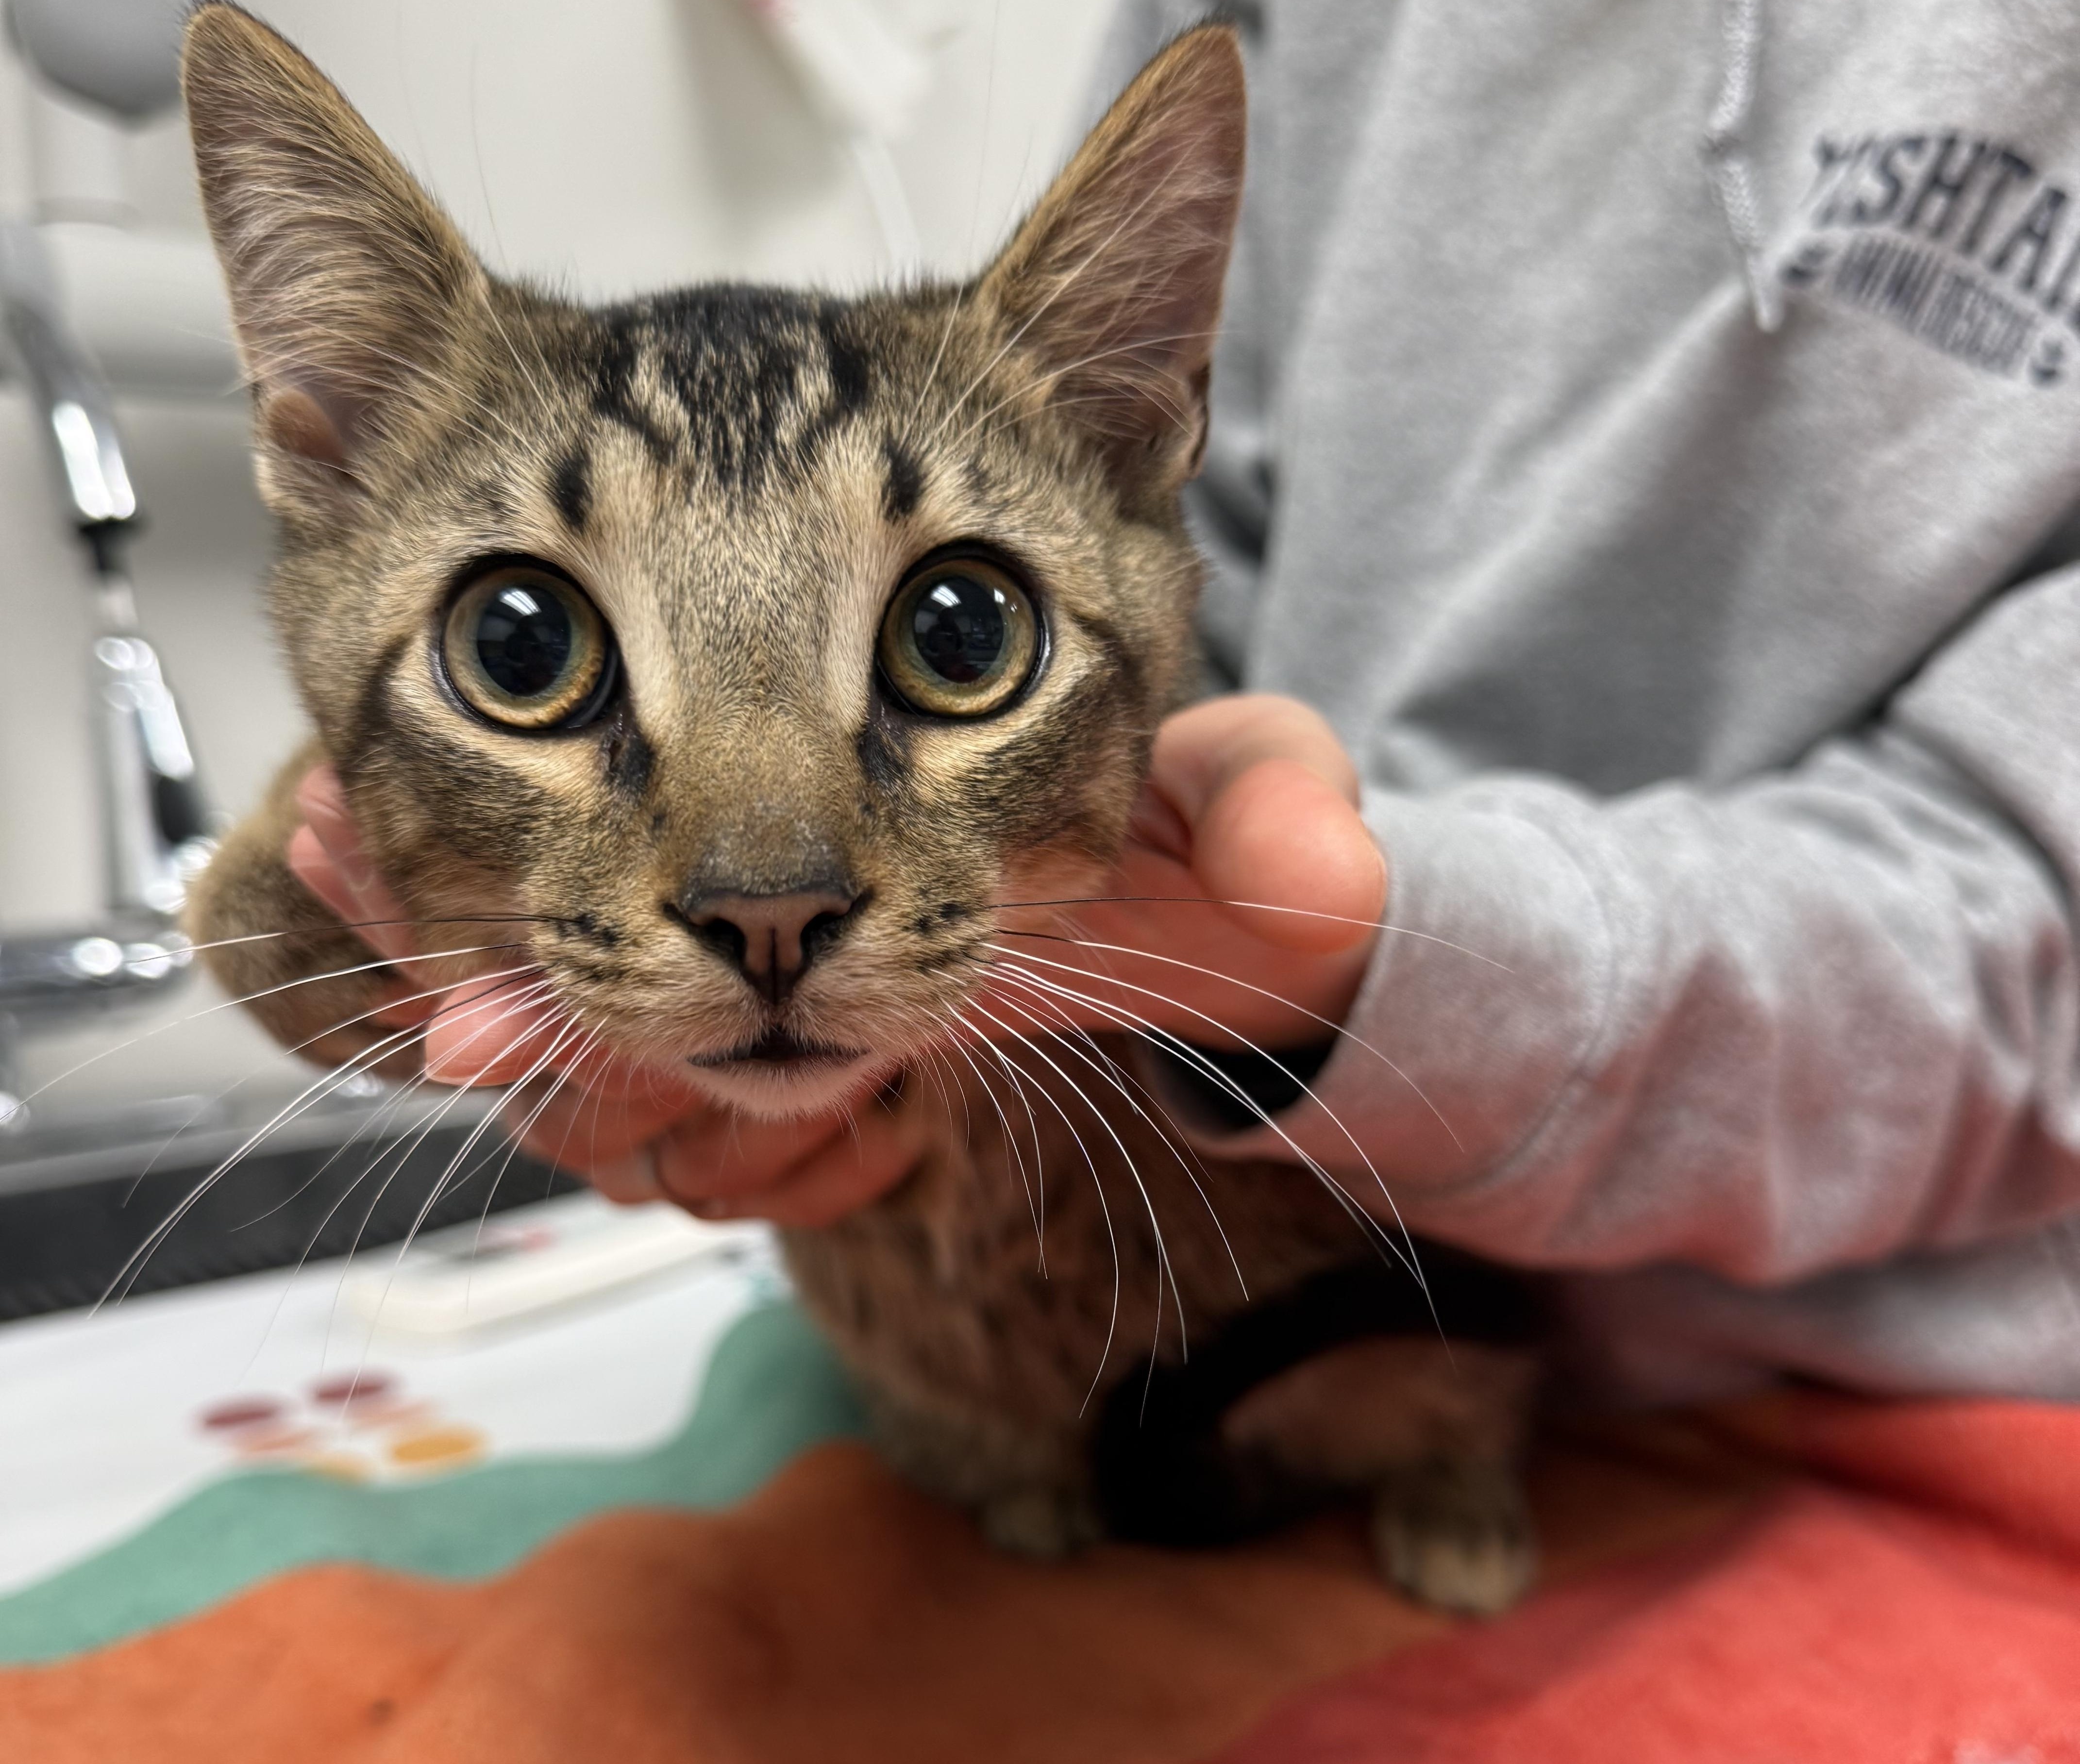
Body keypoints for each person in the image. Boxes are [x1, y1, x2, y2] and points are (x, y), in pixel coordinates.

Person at [295, 0, 2080, 1407]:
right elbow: (1181, 570)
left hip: (1938, 1408)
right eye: (530, 647)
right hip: (1200, 1284)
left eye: (948, 632)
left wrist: (1367, 960)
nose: (769, 883)